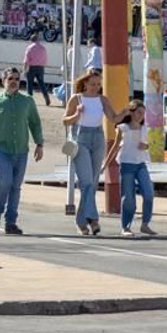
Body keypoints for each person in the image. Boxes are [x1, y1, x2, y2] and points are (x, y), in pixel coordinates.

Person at [0, 67, 45, 235]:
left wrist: (39, 144)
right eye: (10, 79)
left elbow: (35, 123)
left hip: (21, 150)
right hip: (1, 149)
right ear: (3, 81)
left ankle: (11, 222)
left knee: (16, 186)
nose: (13, 82)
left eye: (16, 79)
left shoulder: (27, 101)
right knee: (5, 181)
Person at [62, 70, 125, 237]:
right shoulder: (76, 98)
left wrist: (125, 113)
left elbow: (113, 118)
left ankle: (81, 221)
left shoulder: (102, 99)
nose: (95, 87)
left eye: (98, 84)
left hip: (97, 137)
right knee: (87, 181)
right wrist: (77, 113)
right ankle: (93, 218)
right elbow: (65, 120)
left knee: (93, 182)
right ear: (85, 84)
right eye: (92, 84)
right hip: (80, 138)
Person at [107, 99, 156, 239]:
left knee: (148, 193)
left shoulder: (145, 129)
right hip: (127, 164)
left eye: (143, 113)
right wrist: (106, 163)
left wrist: (145, 146)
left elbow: (147, 145)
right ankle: (125, 226)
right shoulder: (123, 128)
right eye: (139, 112)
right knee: (128, 197)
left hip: (141, 164)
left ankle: (145, 224)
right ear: (132, 112)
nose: (141, 115)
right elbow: (115, 147)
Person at [22, 34, 50, 105]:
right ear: (38, 39)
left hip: (32, 67)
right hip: (41, 67)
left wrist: (24, 69)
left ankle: (29, 99)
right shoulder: (43, 48)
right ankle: (46, 96)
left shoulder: (30, 48)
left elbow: (26, 60)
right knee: (41, 83)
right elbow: (45, 58)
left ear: (31, 40)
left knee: (29, 83)